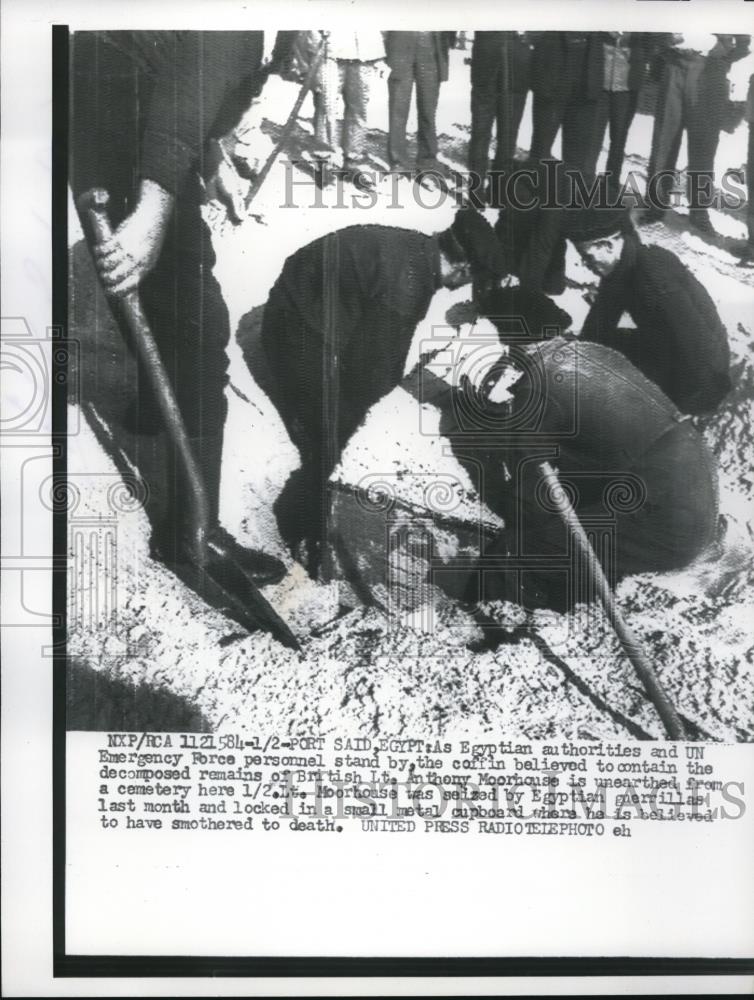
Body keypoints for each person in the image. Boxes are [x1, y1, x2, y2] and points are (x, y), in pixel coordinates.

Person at [70, 29, 285, 584]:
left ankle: (147, 406)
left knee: (146, 288)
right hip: (131, 119)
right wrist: (155, 210)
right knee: (200, 332)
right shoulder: (243, 23)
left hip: (96, 95)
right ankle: (191, 533)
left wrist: (212, 168)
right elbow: (183, 98)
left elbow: (195, 95)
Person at [439, 288, 719, 612]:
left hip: (664, 522)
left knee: (521, 547)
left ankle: (484, 626)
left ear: (511, 341)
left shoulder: (541, 387)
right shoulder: (593, 352)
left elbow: (524, 509)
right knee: (570, 513)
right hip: (692, 484)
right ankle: (572, 590)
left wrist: (471, 447)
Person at [260, 208, 505, 575]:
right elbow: (370, 376)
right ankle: (302, 527)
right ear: (464, 268)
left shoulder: (414, 248)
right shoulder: (410, 284)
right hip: (296, 327)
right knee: (335, 432)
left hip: (297, 298)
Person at [566, 206, 731, 415]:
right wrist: (581, 353)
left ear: (608, 245)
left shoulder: (651, 280)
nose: (585, 264)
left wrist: (675, 404)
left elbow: (696, 347)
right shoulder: (624, 263)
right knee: (606, 349)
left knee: (613, 384)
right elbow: (603, 315)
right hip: (674, 351)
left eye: (587, 257)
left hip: (702, 379)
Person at [643, 32, 751, 234]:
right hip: (673, 65)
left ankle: (699, 212)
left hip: (709, 72)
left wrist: (721, 56)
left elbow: (743, 43)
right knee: (663, 142)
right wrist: (664, 45)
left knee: (703, 145)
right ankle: (655, 205)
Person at [307, 30, 386, 190]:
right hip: (330, 52)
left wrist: (378, 56)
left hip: (364, 52)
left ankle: (352, 163)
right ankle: (324, 164)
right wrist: (314, 46)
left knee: (358, 110)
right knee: (326, 108)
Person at [528, 32, 605, 179]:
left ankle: (567, 199)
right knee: (541, 151)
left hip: (585, 80)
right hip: (553, 74)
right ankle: (535, 197)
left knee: (576, 160)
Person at [468, 32, 532, 202]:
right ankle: (476, 192)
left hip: (517, 66)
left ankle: (498, 191)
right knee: (481, 133)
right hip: (487, 63)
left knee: (508, 135)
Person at [384, 31, 456, 179]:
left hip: (431, 44)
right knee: (398, 106)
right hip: (401, 42)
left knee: (428, 109)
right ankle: (398, 163)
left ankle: (427, 162)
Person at [589, 32, 653, 197]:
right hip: (600, 84)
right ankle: (586, 184)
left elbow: (651, 42)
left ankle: (611, 188)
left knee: (618, 140)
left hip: (627, 87)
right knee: (593, 139)